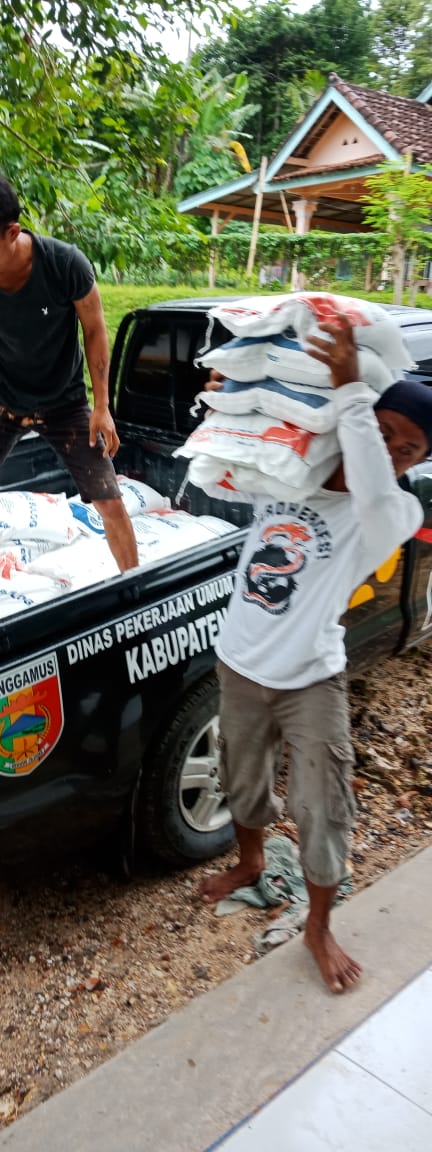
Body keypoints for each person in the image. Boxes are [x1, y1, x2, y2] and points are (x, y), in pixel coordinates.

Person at [199, 314, 432, 994]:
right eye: (387, 434)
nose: (393, 451)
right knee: (241, 781)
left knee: (324, 803)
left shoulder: (394, 512)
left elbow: (367, 466)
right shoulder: (288, 469)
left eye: (411, 449)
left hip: (311, 678)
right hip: (239, 661)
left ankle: (319, 927)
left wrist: (354, 394)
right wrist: (221, 405)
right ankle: (248, 864)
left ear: (419, 463)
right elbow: (217, 480)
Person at [0, 168, 138, 623]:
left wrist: (101, 406)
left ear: (12, 232)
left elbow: (94, 328)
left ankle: (135, 586)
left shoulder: (64, 263)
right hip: (5, 395)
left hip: (66, 399)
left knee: (109, 499)